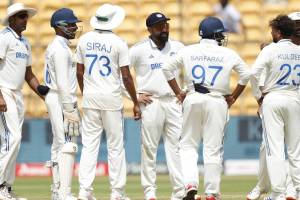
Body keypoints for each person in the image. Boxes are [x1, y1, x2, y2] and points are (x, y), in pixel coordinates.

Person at [163, 16, 250, 200]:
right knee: (212, 149)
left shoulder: (189, 50)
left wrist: (178, 92)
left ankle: (190, 185)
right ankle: (211, 192)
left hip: (193, 98)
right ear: (215, 34)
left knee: (187, 146)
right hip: (217, 101)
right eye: (221, 33)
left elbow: (166, 69)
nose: (223, 37)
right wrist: (234, 96)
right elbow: (246, 75)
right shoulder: (228, 54)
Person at [75, 4, 141, 200]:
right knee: (115, 147)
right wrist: (136, 101)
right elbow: (127, 77)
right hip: (111, 98)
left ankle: (84, 191)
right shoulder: (118, 42)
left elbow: (79, 72)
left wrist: (87, 92)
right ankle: (117, 193)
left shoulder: (84, 40)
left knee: (89, 146)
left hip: (91, 98)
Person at [129, 12, 185, 200]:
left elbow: (191, 71)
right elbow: (120, 73)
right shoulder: (139, 49)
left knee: (176, 148)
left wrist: (184, 91)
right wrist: (135, 97)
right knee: (149, 149)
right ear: (150, 29)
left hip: (173, 102)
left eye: (166, 25)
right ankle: (150, 192)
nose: (164, 29)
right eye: (160, 26)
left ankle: (179, 192)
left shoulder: (178, 47)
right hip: (151, 102)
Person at [246, 13, 300, 199]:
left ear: (277, 32)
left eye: (272, 30)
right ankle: (298, 191)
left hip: (273, 98)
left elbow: (253, 74)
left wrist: (258, 96)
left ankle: (278, 193)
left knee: (274, 148)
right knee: (295, 149)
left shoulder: (270, 49)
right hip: (294, 98)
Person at [0, 3, 43, 200]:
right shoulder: (4, 37)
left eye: (26, 17)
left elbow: (28, 74)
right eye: (21, 17)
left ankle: (7, 189)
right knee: (12, 138)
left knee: (14, 143)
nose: (25, 20)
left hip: (17, 95)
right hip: (4, 91)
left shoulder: (24, 42)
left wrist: (43, 93)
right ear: (11, 20)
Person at [42, 8, 82, 200]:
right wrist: (69, 109)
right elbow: (63, 83)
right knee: (67, 145)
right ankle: (64, 193)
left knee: (59, 145)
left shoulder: (62, 46)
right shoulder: (59, 49)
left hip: (58, 97)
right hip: (61, 98)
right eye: (71, 24)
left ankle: (58, 191)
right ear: (60, 26)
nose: (75, 27)